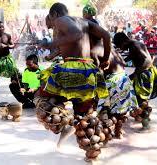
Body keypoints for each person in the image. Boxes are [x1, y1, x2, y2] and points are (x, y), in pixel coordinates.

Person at [38, 3, 111, 161]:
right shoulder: (84, 21)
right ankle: (92, 154)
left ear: (54, 14)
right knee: (85, 115)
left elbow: (76, 34)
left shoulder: (60, 20)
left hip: (71, 70)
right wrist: (105, 59)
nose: (54, 29)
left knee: (41, 99)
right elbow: (106, 35)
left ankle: (65, 124)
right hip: (88, 71)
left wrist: (50, 44)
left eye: (51, 24)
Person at [113, 32, 157, 132]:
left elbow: (146, 61)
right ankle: (145, 118)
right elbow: (132, 57)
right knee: (140, 97)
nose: (121, 49)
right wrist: (119, 61)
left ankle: (146, 125)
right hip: (143, 73)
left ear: (124, 41)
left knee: (140, 100)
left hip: (144, 74)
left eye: (120, 46)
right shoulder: (134, 44)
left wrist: (135, 74)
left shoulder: (134, 46)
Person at [97, 49, 138, 139]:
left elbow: (100, 72)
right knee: (121, 112)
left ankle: (108, 133)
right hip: (124, 80)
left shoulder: (101, 53)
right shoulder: (115, 52)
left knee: (107, 110)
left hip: (114, 82)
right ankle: (118, 132)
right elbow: (124, 63)